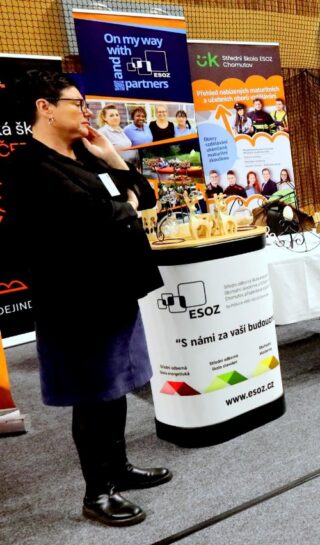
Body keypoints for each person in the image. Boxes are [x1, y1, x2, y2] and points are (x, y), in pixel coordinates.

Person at [6, 70, 170, 526]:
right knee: (93, 395)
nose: (86, 112)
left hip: (114, 288)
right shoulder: (27, 166)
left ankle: (117, 469)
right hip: (75, 301)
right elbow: (92, 216)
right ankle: (97, 493)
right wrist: (124, 207)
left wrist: (113, 157)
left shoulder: (84, 153)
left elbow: (144, 196)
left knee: (115, 388)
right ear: (45, 108)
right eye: (77, 103)